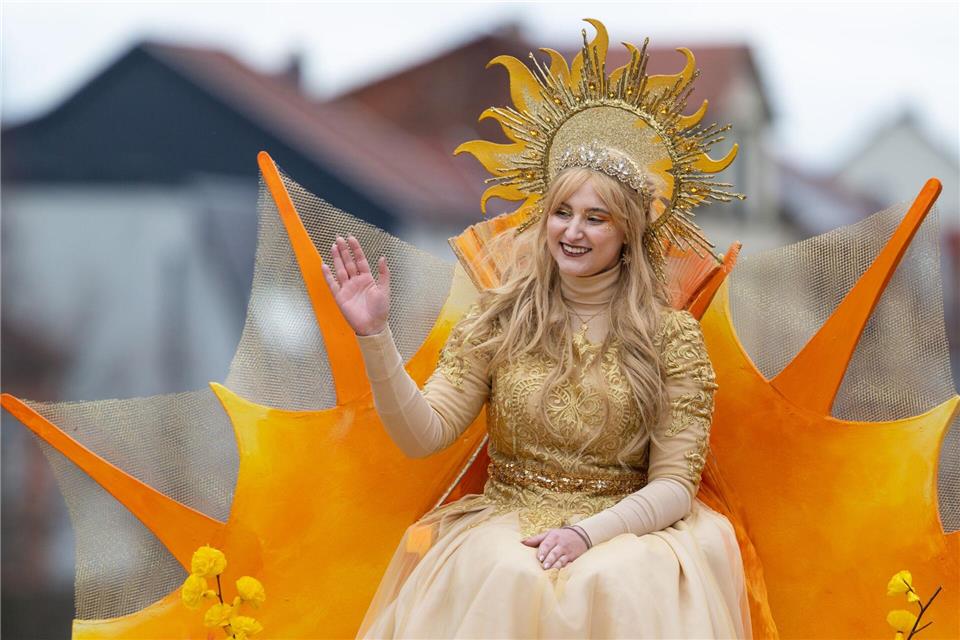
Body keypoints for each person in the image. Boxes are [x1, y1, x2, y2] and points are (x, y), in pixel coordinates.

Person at [321, 20, 752, 638]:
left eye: (596, 218)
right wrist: (375, 336)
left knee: (613, 581)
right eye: (562, 213)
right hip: (508, 524)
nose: (573, 232)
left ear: (628, 232)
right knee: (510, 576)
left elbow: (675, 487)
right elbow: (424, 434)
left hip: (626, 531)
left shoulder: (671, 338)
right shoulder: (501, 316)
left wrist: (586, 535)